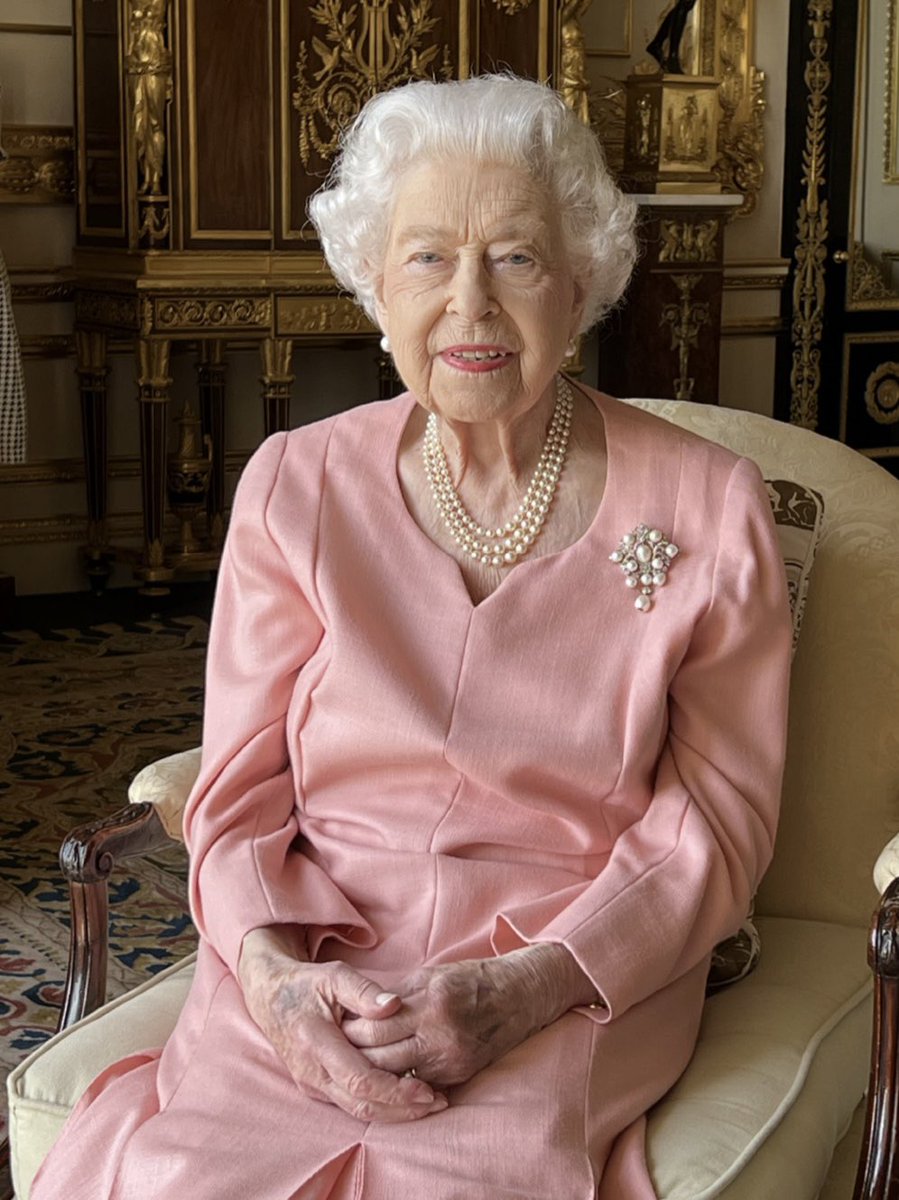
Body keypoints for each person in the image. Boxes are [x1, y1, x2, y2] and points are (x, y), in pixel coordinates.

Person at [30, 75, 791, 1199]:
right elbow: (235, 794)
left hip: (563, 970)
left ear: (581, 282)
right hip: (319, 962)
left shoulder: (710, 508)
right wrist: (276, 983)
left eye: (517, 257)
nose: (471, 305)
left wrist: (529, 984)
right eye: (428, 258)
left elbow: (718, 818)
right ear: (373, 288)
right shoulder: (296, 485)